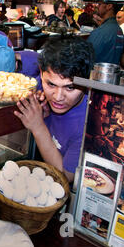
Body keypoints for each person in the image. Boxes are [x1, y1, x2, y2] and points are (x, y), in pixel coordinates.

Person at [14, 36, 95, 183]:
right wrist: (43, 116)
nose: (58, 97)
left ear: (88, 82)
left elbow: (65, 177)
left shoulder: (88, 123)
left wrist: (38, 127)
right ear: (40, 72)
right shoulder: (36, 86)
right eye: (51, 85)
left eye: (70, 87)